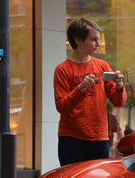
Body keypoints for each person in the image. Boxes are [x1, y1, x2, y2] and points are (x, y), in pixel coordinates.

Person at [54, 18, 127, 166]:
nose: (98, 44)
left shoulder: (102, 66)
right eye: (94, 40)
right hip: (71, 139)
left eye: (98, 40)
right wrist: (81, 88)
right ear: (78, 40)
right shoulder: (62, 69)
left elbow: (119, 102)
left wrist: (119, 86)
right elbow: (61, 107)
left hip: (99, 138)